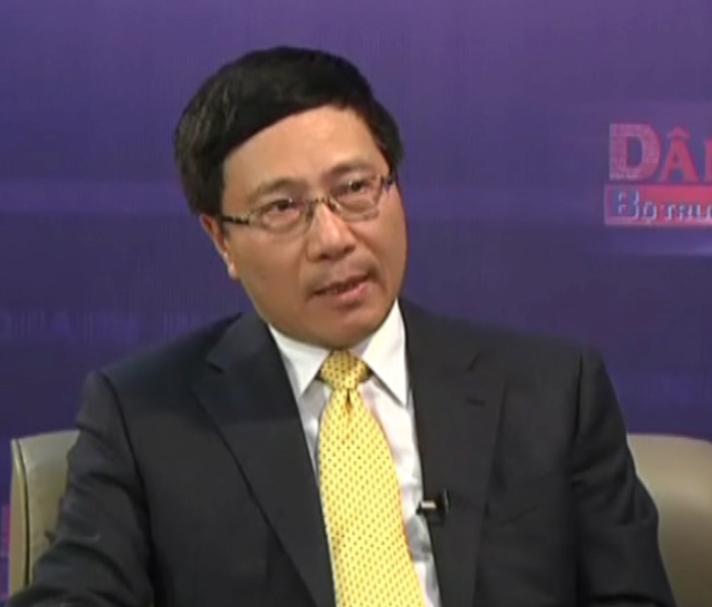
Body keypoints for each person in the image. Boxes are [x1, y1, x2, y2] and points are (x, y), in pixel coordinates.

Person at [10, 47, 675, 607]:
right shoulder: (145, 415)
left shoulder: (554, 392)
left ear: (395, 186)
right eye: (282, 208)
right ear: (221, 240)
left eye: (355, 189)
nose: (333, 238)